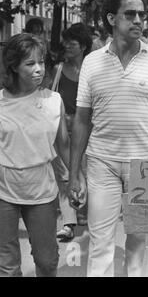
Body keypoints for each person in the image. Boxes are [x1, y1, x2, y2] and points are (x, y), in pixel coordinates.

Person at [67, 0, 148, 277]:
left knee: (139, 243)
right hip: (101, 163)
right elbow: (81, 119)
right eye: (130, 14)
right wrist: (75, 171)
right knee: (100, 241)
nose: (138, 20)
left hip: (144, 164)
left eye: (142, 14)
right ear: (111, 19)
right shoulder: (92, 62)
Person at [0, 33, 80, 276]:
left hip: (42, 193)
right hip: (3, 192)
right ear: (13, 66)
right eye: (30, 63)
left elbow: (63, 145)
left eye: (41, 62)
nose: (38, 69)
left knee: (46, 261)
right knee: (7, 263)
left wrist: (77, 177)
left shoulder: (54, 101)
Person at [50, 23, 93, 242]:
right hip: (61, 131)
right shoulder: (57, 69)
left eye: (72, 43)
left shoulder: (93, 70)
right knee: (65, 176)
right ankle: (68, 223)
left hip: (87, 132)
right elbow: (49, 97)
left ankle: (83, 211)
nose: (66, 46)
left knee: (84, 173)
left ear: (83, 46)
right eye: (65, 42)